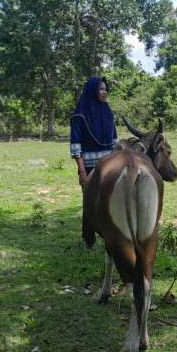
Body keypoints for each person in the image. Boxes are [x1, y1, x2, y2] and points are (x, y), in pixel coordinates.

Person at [70, 77, 118, 250]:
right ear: (92, 91)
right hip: (89, 167)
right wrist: (82, 171)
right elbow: (76, 147)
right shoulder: (79, 116)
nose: (104, 92)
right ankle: (89, 240)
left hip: (109, 165)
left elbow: (114, 141)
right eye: (100, 89)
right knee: (91, 203)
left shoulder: (107, 112)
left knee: (109, 202)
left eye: (106, 89)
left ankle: (109, 238)